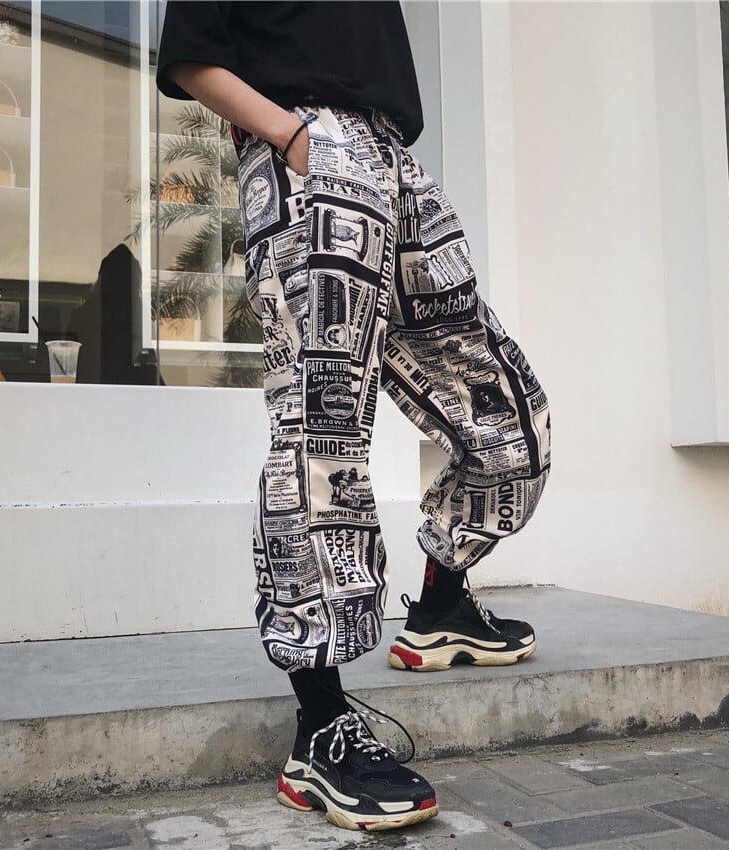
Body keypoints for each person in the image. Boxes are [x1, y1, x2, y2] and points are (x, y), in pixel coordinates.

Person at [157, 1, 551, 832]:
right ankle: (320, 728)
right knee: (319, 435)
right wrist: (293, 139)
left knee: (507, 414)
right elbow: (191, 57)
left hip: (395, 158)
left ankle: (441, 603)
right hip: (306, 150)